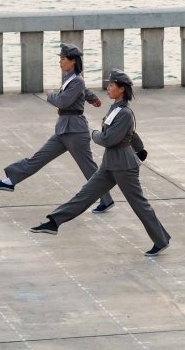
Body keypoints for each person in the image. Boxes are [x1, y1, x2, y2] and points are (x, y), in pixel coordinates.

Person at [29, 70, 171, 257]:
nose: (108, 88)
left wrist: (94, 134)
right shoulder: (116, 109)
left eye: (112, 85)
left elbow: (109, 138)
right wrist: (139, 147)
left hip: (124, 166)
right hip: (109, 164)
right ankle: (54, 222)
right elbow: (130, 134)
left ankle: (161, 240)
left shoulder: (125, 113)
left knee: (139, 204)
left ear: (121, 89)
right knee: (85, 194)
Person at [0, 43, 114, 214]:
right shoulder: (71, 78)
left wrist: (50, 95)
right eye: (60, 59)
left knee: (89, 168)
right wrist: (93, 99)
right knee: (39, 158)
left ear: (73, 61)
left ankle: (106, 200)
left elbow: (63, 101)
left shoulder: (76, 80)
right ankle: (10, 180)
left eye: (63, 59)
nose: (60, 62)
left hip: (75, 131)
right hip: (64, 130)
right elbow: (83, 90)